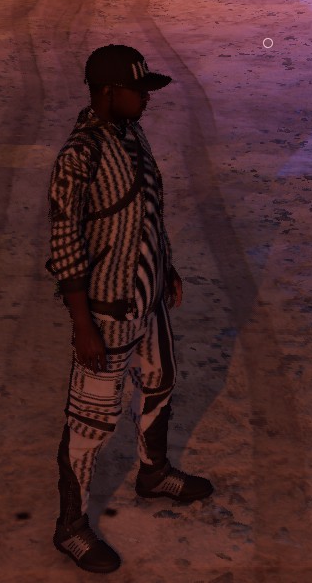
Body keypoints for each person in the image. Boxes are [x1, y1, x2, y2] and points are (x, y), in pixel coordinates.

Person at [47, 45, 212, 574]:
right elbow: (65, 244)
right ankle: (70, 526)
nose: (146, 98)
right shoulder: (79, 155)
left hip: (148, 299)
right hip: (107, 311)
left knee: (160, 382)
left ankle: (153, 472)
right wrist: (82, 324)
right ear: (106, 92)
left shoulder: (131, 134)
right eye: (137, 90)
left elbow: (148, 209)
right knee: (90, 422)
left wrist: (166, 267)